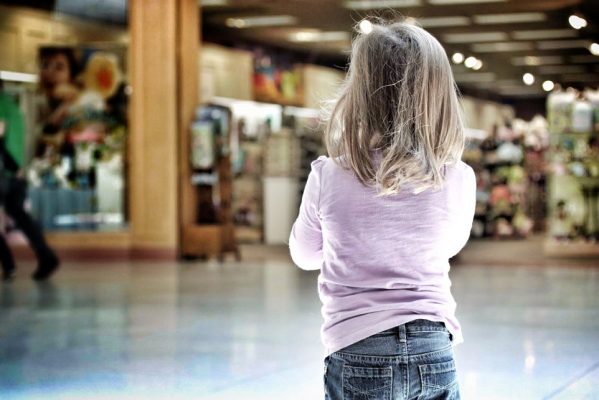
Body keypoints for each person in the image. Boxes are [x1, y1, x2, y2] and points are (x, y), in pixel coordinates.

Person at [289, 20, 475, 400]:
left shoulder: (329, 174)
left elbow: (304, 255)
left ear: (359, 94)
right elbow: (450, 245)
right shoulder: (457, 177)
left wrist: (350, 245)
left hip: (356, 347)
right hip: (434, 347)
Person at [0, 95, 60, 282]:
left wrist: (11, 165)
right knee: (21, 216)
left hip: (4, 172)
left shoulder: (2, 108)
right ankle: (46, 255)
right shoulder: (14, 108)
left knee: (19, 215)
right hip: (17, 173)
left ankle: (8, 265)